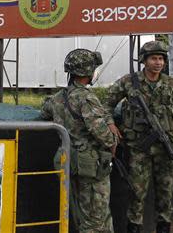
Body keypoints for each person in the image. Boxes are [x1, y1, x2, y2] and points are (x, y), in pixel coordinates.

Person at [105, 41, 173, 233]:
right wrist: (110, 124)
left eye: (161, 59)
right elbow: (106, 103)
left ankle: (163, 228)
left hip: (166, 149)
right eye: (153, 58)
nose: (158, 63)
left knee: (165, 194)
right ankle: (134, 228)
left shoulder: (172, 85)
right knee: (136, 194)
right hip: (138, 149)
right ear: (144, 60)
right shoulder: (129, 82)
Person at [40, 49, 119, 233]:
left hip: (67, 161)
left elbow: (44, 110)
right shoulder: (87, 98)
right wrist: (112, 137)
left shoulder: (58, 97)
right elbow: (103, 134)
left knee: (79, 214)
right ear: (89, 72)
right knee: (96, 218)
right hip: (90, 166)